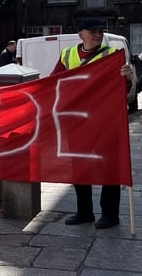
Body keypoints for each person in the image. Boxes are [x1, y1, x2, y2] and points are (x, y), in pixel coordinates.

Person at [52, 18, 132, 229]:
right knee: (79, 167)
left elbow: (122, 90)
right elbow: (54, 82)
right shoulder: (67, 55)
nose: (98, 34)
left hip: (105, 122)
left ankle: (110, 215)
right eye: (93, 31)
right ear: (81, 34)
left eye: (100, 31)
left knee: (109, 168)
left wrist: (127, 77)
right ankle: (84, 212)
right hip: (77, 122)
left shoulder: (112, 56)